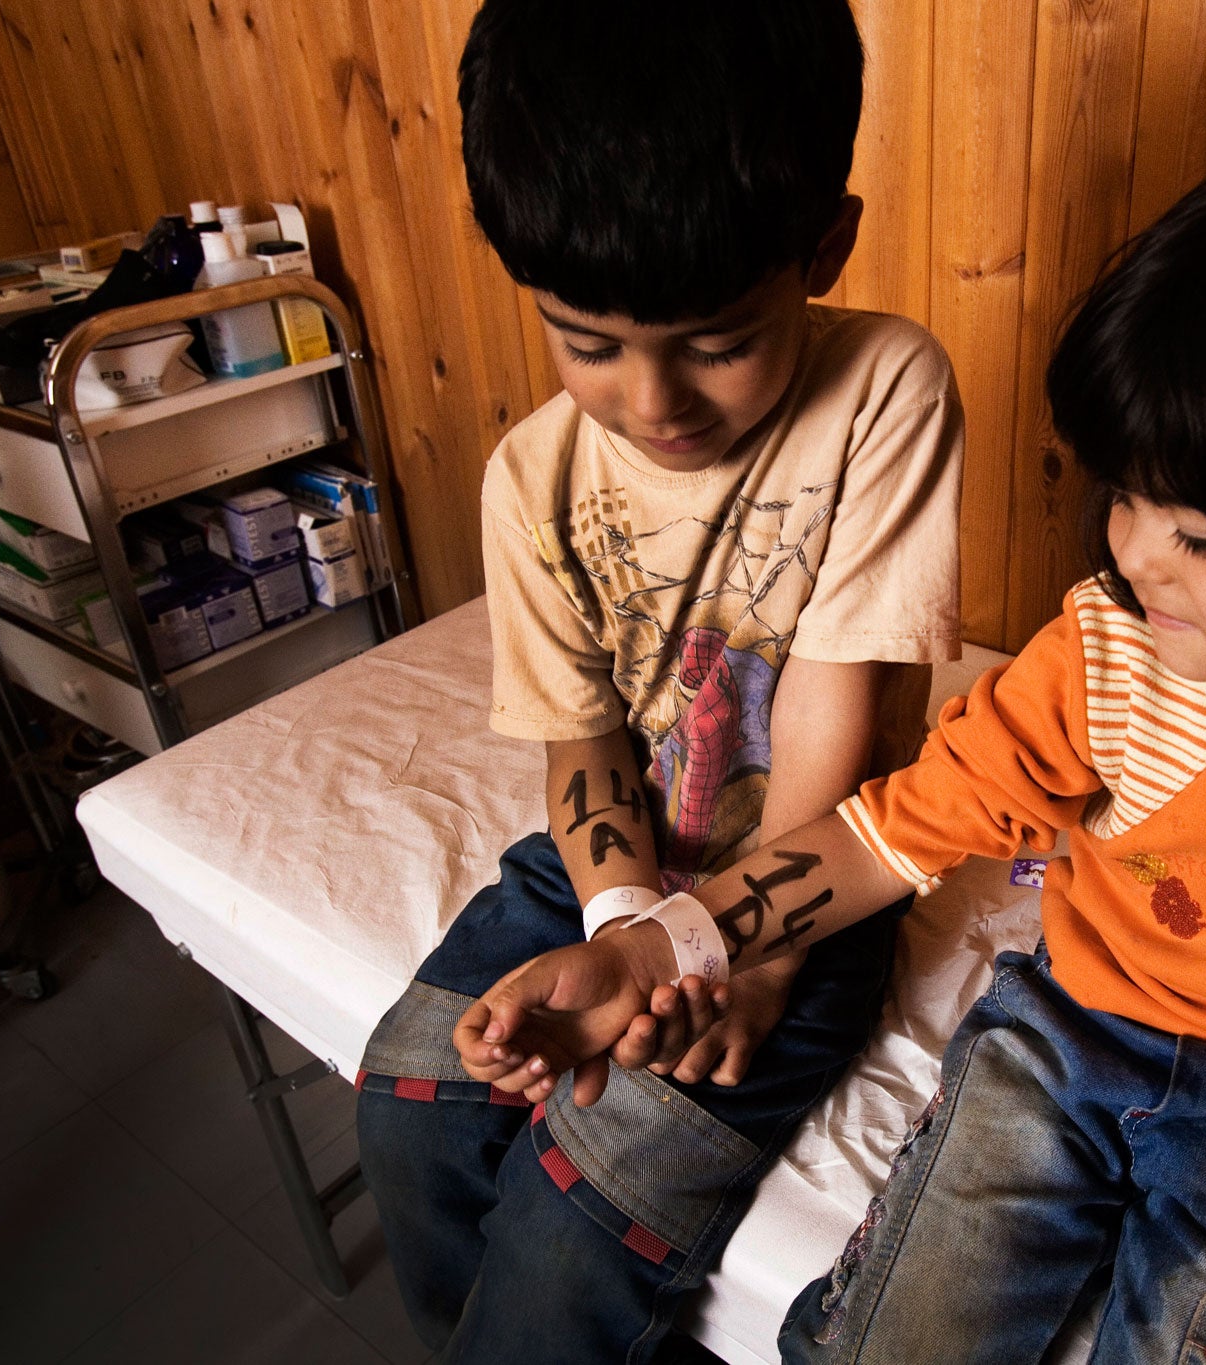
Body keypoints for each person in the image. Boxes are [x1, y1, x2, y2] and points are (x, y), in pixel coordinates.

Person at [458, 112, 1206, 1365]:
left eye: (1200, 534)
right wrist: (655, 946)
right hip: (1064, 1045)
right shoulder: (1107, 657)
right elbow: (893, 833)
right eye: (1126, 496)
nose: (1131, 554)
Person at [351, 2, 963, 1361]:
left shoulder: (886, 387)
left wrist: (744, 957)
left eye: (718, 342)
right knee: (409, 1096)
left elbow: (832, 704)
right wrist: (626, 916)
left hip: (812, 881)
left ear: (824, 248)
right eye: (587, 343)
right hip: (609, 860)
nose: (652, 404)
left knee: (580, 1212)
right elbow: (579, 739)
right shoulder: (530, 476)